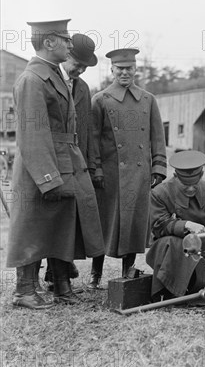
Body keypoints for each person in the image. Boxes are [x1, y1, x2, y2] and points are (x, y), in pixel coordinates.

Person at [6, 20, 104, 309]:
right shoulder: (32, 80)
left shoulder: (54, 76)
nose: (70, 45)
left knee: (62, 224)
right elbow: (32, 135)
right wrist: (47, 178)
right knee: (33, 227)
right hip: (42, 165)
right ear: (49, 43)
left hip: (63, 160)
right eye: (65, 39)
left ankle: (62, 286)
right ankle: (24, 291)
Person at [88, 48, 167, 288]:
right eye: (120, 68)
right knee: (105, 223)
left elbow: (157, 135)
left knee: (134, 222)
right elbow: (92, 139)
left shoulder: (147, 99)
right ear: (112, 70)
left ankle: (128, 269)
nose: (125, 72)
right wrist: (96, 169)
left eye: (129, 68)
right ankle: (95, 273)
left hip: (139, 172)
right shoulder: (100, 99)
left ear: (135, 69)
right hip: (110, 175)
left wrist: (158, 167)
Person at [42, 33, 100, 293]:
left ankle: (62, 271)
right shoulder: (47, 81)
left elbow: (87, 130)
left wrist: (91, 165)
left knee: (75, 220)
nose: (80, 69)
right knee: (55, 221)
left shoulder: (84, 88)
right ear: (66, 55)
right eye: (77, 63)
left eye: (85, 67)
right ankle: (58, 277)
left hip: (76, 163)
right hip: (53, 161)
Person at [146, 150, 205, 300]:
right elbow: (158, 225)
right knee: (172, 243)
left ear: (201, 175)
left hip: (202, 249)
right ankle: (169, 292)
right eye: (185, 185)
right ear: (175, 177)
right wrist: (186, 225)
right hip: (167, 250)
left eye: (194, 184)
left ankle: (203, 286)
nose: (190, 188)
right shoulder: (159, 193)